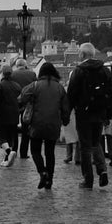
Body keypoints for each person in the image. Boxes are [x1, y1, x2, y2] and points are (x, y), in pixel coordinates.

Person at [66, 43, 112, 188]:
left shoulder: (79, 71)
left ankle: (88, 179)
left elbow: (71, 95)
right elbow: (110, 94)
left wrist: (66, 114)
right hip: (100, 112)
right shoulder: (105, 71)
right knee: (96, 143)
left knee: (85, 146)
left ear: (81, 55)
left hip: (83, 113)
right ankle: (102, 170)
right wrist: (108, 114)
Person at [18, 61, 71, 190]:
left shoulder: (34, 86)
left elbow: (21, 98)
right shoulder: (59, 88)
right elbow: (65, 107)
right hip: (53, 123)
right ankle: (50, 180)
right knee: (50, 152)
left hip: (37, 123)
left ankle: (42, 172)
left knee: (35, 150)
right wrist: (64, 120)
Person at [0, 65, 24, 167]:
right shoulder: (17, 86)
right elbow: (21, 101)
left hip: (3, 114)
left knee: (0, 135)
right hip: (14, 114)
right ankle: (6, 158)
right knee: (11, 136)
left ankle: (9, 152)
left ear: (2, 74)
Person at [8, 57, 38, 159]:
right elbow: (35, 88)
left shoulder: (12, 74)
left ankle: (14, 150)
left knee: (13, 127)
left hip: (14, 103)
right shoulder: (32, 74)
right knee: (26, 129)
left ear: (17, 65)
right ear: (25, 65)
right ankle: (24, 153)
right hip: (28, 104)